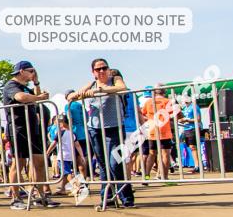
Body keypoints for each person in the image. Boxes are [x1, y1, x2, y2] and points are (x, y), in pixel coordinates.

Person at [68, 58, 135, 207]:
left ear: (109, 69)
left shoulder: (115, 79)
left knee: (115, 163)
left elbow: (122, 88)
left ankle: (126, 198)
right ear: (93, 72)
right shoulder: (91, 83)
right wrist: (78, 95)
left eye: (104, 68)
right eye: (98, 69)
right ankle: (107, 198)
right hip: (94, 128)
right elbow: (72, 96)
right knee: (103, 165)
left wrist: (100, 90)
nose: (102, 71)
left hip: (114, 127)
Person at [3, 61, 59, 209]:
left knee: (39, 161)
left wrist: (36, 82)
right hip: (18, 129)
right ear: (22, 71)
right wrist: (39, 97)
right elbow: (21, 97)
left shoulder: (25, 86)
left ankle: (40, 195)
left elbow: (36, 95)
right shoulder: (11, 85)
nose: (33, 73)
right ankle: (15, 198)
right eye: (31, 71)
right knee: (19, 163)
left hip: (32, 129)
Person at [141, 85, 176, 181]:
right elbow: (176, 113)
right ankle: (165, 177)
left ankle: (147, 177)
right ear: (164, 92)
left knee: (151, 154)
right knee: (165, 154)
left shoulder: (148, 102)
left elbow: (142, 114)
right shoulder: (167, 101)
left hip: (152, 130)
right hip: (164, 130)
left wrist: (150, 119)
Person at [46, 116, 84, 195]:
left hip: (62, 156)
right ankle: (63, 189)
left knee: (67, 173)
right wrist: (82, 155)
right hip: (70, 157)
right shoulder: (73, 133)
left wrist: (47, 152)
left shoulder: (60, 132)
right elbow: (78, 145)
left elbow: (54, 143)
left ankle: (76, 187)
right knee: (65, 174)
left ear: (62, 123)